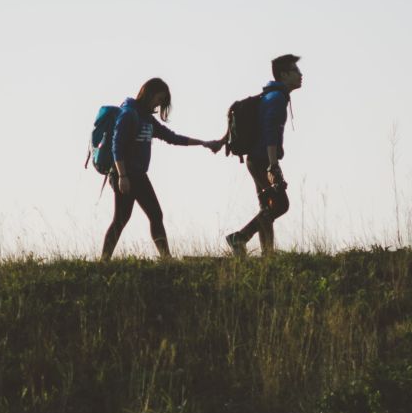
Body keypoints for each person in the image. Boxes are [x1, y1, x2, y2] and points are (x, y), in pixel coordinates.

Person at [103, 77, 220, 261]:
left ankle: (166, 258)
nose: (159, 104)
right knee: (121, 219)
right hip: (124, 175)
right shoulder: (129, 114)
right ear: (149, 94)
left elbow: (171, 137)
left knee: (155, 215)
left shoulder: (147, 119)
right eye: (159, 98)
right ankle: (104, 261)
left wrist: (203, 143)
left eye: (162, 101)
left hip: (139, 176)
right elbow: (116, 146)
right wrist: (122, 176)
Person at [226, 54, 303, 256]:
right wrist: (272, 165)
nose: (301, 74)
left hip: (256, 159)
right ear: (284, 75)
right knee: (280, 204)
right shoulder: (277, 98)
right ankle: (240, 237)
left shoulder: (271, 96)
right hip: (262, 160)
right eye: (296, 71)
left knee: (266, 206)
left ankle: (267, 253)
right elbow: (270, 131)